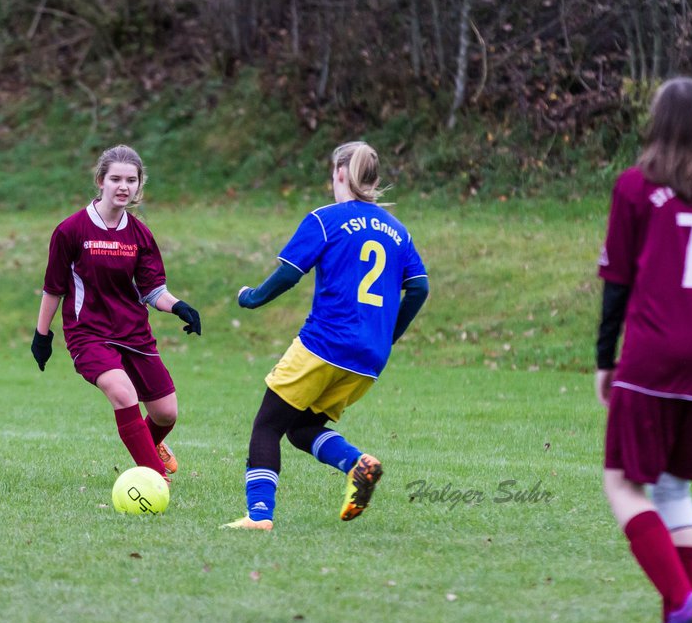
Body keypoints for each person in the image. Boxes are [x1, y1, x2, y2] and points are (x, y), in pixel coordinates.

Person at [595, 76, 692, 623]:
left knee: (624, 482)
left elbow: (617, 282)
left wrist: (605, 358)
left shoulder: (635, 187)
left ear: (656, 122)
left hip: (654, 352)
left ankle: (683, 602)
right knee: (674, 487)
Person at [223, 141, 429, 531]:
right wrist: (390, 335)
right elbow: (418, 287)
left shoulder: (325, 219)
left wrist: (252, 298)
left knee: (266, 426)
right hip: (369, 357)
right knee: (301, 428)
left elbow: (288, 272)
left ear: (339, 173)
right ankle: (357, 464)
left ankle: (259, 516)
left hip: (324, 344)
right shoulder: (398, 231)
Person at [31, 145, 201, 481]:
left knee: (166, 413)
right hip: (89, 333)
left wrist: (180, 307)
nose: (123, 186)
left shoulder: (140, 234)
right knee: (124, 394)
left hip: (134, 332)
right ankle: (153, 477)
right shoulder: (71, 230)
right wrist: (42, 335)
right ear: (101, 181)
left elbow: (153, 289)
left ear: (139, 185)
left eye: (131, 180)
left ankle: (150, 448)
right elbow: (54, 287)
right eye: (116, 179)